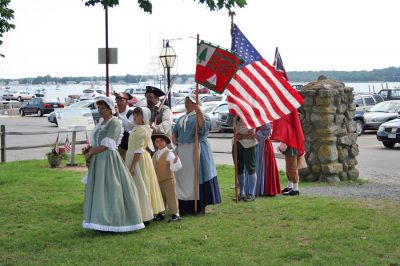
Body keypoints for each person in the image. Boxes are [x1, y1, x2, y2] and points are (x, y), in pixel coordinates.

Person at [82, 97, 144, 232]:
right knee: (99, 189)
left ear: (110, 109)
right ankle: (99, 220)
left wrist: (92, 152)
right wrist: (90, 149)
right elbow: (98, 141)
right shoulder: (101, 122)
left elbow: (108, 144)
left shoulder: (115, 122)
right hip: (99, 159)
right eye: (98, 108)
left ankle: (115, 221)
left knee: (112, 189)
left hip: (109, 160)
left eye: (102, 108)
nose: (100, 111)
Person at [172, 95, 221, 215]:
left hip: (196, 149)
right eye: (185, 102)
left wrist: (199, 111)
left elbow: (203, 129)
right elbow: (175, 131)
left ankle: (198, 206)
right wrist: (174, 136)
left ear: (196, 103)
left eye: (190, 102)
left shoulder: (204, 116)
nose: (187, 104)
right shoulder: (182, 118)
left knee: (196, 178)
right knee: (183, 179)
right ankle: (184, 206)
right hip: (183, 151)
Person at [126, 107, 165, 220]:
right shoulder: (138, 128)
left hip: (138, 160)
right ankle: (137, 211)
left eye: (138, 115)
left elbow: (138, 149)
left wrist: (133, 165)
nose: (135, 117)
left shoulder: (143, 130)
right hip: (131, 157)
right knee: (137, 185)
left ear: (144, 118)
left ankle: (144, 214)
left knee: (141, 184)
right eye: (134, 114)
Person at [271, 111, 306, 196]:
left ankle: (295, 188)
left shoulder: (291, 121)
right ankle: (290, 186)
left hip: (291, 146)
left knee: (292, 168)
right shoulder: (291, 120)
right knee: (289, 167)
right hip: (290, 145)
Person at [151, 132, 181, 222]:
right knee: (160, 197)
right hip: (158, 180)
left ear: (166, 142)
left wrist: (175, 162)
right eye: (157, 141)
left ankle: (176, 213)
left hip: (168, 179)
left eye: (161, 141)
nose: (159, 143)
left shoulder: (169, 153)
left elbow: (174, 167)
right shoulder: (155, 154)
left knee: (171, 196)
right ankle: (161, 213)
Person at [232, 117, 258, 202]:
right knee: (239, 168)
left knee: (251, 169)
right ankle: (242, 193)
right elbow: (229, 123)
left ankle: (251, 194)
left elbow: (266, 127)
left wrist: (256, 135)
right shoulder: (235, 113)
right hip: (236, 143)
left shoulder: (251, 112)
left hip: (249, 144)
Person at [255, 123, 281, 196]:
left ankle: (264, 189)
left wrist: (255, 135)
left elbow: (267, 130)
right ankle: (256, 188)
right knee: (257, 165)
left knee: (265, 165)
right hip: (257, 144)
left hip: (263, 144)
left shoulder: (265, 117)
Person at [114, 92, 135, 160]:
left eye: (121, 101)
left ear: (126, 102)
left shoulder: (131, 113)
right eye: (117, 100)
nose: (118, 103)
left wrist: (118, 115)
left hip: (126, 147)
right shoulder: (113, 113)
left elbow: (129, 127)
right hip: (115, 146)